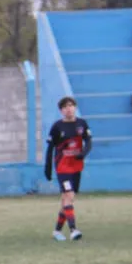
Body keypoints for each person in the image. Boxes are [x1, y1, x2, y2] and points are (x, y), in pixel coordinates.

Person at [44, 96, 92, 241]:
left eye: (71, 105)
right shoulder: (57, 127)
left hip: (76, 167)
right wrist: (48, 168)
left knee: (67, 199)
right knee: (69, 195)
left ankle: (57, 231)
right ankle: (73, 230)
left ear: (75, 107)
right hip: (62, 167)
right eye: (65, 107)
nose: (69, 109)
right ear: (61, 110)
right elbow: (50, 148)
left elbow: (89, 141)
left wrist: (83, 153)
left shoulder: (82, 124)